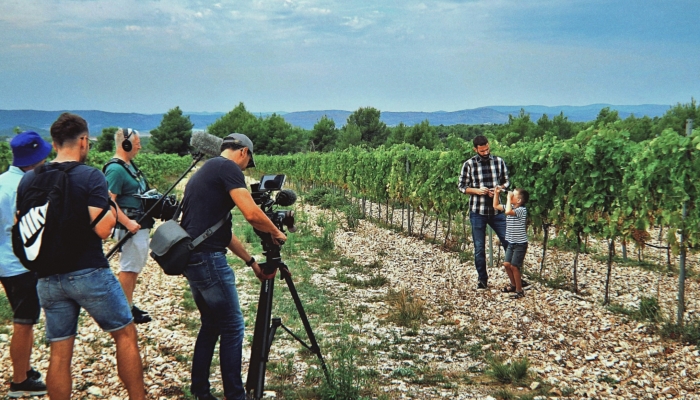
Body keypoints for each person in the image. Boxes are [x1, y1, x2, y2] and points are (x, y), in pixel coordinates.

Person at [16, 113, 146, 400]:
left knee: (60, 352)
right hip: (89, 272)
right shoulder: (90, 176)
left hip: (47, 278)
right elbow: (102, 230)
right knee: (125, 334)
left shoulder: (28, 180)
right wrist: (112, 213)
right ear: (84, 141)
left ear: (54, 143)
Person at [180, 133, 287, 400]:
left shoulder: (209, 170)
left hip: (194, 257)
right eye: (248, 161)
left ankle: (201, 392)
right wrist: (276, 232)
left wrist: (251, 262)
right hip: (208, 259)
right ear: (243, 152)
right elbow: (251, 214)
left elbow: (222, 232)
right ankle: (236, 395)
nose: (244, 167)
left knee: (211, 325)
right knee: (232, 326)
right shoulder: (227, 167)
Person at [0, 131, 50, 397]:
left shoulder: (1, 182)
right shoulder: (27, 187)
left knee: (25, 320)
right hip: (20, 266)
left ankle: (26, 368)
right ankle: (20, 381)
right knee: (24, 322)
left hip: (4, 263)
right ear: (35, 158)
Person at [104, 128, 153, 324]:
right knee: (129, 268)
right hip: (130, 227)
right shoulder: (115, 169)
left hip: (139, 225)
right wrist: (127, 222)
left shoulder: (129, 166)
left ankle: (128, 305)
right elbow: (108, 201)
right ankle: (124, 311)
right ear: (125, 144)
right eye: (137, 141)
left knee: (134, 267)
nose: (140, 145)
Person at [458, 135, 510, 290]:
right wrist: (477, 191)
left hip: (497, 211)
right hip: (478, 212)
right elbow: (461, 187)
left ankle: (516, 279)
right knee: (479, 248)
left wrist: (499, 189)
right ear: (475, 149)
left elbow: (506, 181)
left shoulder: (499, 162)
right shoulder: (469, 164)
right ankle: (482, 280)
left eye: (487, 149)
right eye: (482, 150)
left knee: (509, 243)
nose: (486, 152)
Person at [493, 187, 530, 299]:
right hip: (511, 242)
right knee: (506, 264)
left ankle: (519, 291)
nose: (510, 196)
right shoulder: (512, 207)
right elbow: (496, 206)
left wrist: (508, 198)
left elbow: (508, 212)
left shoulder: (521, 210)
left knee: (514, 266)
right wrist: (496, 193)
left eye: (513, 195)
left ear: (518, 200)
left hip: (520, 243)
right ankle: (513, 285)